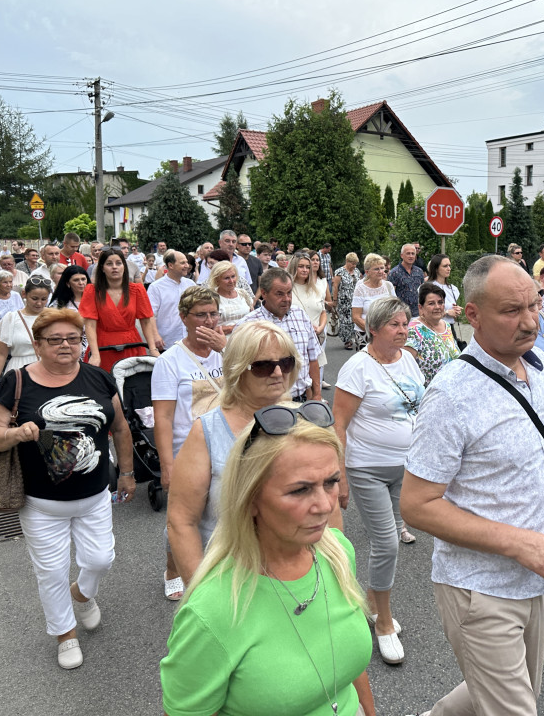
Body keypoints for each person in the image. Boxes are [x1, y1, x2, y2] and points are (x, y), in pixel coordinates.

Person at [401, 255, 544, 716]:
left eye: (534, 305)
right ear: (472, 315)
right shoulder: (451, 395)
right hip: (480, 589)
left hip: (536, 578)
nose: (530, 321)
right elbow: (416, 504)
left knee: (504, 690)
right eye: (512, 311)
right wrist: (516, 543)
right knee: (515, 707)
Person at [160, 400, 376, 716]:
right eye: (300, 490)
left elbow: (346, 662)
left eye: (330, 482)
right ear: (250, 499)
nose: (325, 505)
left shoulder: (338, 553)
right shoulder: (212, 611)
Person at [0, 308, 135, 670]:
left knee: (101, 559)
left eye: (73, 339)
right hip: (40, 503)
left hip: (95, 495)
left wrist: (127, 472)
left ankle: (81, 593)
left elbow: (122, 428)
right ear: (37, 345)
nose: (65, 346)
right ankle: (65, 635)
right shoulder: (17, 381)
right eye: (55, 340)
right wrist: (16, 433)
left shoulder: (100, 378)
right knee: (50, 572)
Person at [166, 320, 302, 585]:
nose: (277, 373)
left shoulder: (305, 421)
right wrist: (200, 594)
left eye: (285, 363)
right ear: (238, 370)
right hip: (229, 579)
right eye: (263, 366)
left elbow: (328, 514)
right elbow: (181, 521)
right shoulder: (206, 432)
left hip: (298, 576)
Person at [334, 296, 425, 665]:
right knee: (386, 544)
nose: (403, 330)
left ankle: (372, 600)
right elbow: (338, 423)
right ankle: (383, 621)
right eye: (394, 325)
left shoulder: (411, 361)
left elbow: (420, 408)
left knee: (394, 542)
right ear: (373, 328)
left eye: (405, 324)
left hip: (406, 467)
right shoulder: (357, 367)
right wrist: (339, 475)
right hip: (367, 467)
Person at [152, 286, 226, 601]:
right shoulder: (170, 362)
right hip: (188, 451)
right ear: (184, 318)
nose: (208, 321)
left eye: (213, 314)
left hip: (227, 446)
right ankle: (172, 567)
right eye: (200, 315)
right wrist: (167, 466)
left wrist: (230, 347)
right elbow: (164, 418)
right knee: (185, 516)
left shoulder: (228, 351)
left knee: (224, 512)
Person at [236, 269, 321, 402]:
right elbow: (238, 370)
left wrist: (316, 395)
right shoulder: (248, 324)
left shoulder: (301, 315)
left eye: (289, 293)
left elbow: (313, 358)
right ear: (264, 293)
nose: (286, 299)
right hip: (266, 403)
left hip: (303, 398)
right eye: (279, 294)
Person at [80, 247, 162, 373]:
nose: (114, 267)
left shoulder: (137, 290)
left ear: (124, 267)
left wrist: (152, 349)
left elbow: (145, 321)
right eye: (109, 264)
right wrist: (95, 354)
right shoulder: (92, 291)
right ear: (102, 268)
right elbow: (90, 325)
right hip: (103, 347)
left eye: (118, 263)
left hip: (132, 345)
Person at [0, 276, 53, 391]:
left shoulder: (54, 317)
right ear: (24, 294)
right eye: (34, 298)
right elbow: (0, 353)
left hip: (50, 370)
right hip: (19, 371)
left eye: (44, 299)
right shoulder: (11, 318)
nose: (39, 303)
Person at [289, 251, 331, 387]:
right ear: (294, 267)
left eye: (307, 267)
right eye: (301, 266)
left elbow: (323, 312)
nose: (305, 270)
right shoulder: (287, 289)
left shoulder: (316, 289)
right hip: (293, 340)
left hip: (316, 338)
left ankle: (316, 399)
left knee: (315, 372)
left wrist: (321, 327)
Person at [406, 282, 460, 386]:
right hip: (429, 393)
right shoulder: (413, 330)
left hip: (452, 387)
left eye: (440, 302)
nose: (437, 307)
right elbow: (407, 368)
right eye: (431, 303)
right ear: (420, 307)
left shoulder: (446, 325)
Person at [147, 250, 195, 350]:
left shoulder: (191, 285)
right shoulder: (156, 287)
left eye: (187, 262)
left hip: (190, 341)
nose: (187, 265)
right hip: (167, 342)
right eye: (182, 263)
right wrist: (155, 336)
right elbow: (150, 314)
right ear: (170, 265)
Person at [352, 253, 395, 350]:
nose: (380, 271)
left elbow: (395, 310)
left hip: (387, 334)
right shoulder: (360, 289)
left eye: (382, 268)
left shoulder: (388, 286)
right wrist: (373, 332)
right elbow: (356, 317)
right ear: (367, 272)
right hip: (365, 334)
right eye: (376, 269)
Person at [207, 260, 254, 337]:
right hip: (222, 343)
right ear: (217, 280)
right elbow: (207, 328)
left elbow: (252, 317)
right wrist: (233, 328)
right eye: (226, 278)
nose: (231, 281)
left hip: (246, 340)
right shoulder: (211, 298)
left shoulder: (243, 294)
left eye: (233, 276)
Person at [426, 253, 463, 329]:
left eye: (449, 265)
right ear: (436, 269)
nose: (449, 268)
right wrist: (446, 313)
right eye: (445, 266)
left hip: (449, 328)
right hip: (433, 328)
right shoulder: (427, 288)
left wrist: (456, 311)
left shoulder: (453, 289)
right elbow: (424, 314)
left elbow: (453, 317)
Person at [388, 243, 425, 318]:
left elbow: (422, 291)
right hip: (401, 314)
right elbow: (390, 296)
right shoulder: (394, 273)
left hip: (417, 314)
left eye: (413, 254)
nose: (411, 256)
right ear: (401, 255)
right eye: (408, 253)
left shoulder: (419, 272)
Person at [333, 252, 361, 350]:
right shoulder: (340, 272)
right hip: (344, 301)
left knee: (355, 320)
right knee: (346, 321)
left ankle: (355, 338)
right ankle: (347, 340)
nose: (354, 265)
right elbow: (335, 287)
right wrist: (335, 300)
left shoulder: (357, 271)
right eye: (352, 263)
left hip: (356, 300)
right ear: (347, 261)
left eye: (355, 263)